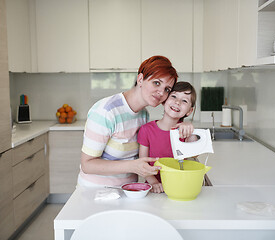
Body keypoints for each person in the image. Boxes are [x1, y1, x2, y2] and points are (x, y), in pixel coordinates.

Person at [78, 55, 193, 187]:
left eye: (167, 89)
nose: (161, 92)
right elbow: (87, 165)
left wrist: (185, 125)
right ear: (140, 79)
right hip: (95, 192)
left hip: (127, 191)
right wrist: (132, 166)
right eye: (157, 83)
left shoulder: (143, 115)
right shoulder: (106, 111)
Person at [137, 81, 197, 193]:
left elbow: (195, 153)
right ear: (164, 101)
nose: (177, 102)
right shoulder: (146, 130)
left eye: (184, 100)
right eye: (173, 96)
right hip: (153, 188)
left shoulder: (184, 132)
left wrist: (190, 128)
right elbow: (142, 162)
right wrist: (154, 183)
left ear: (189, 111)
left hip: (179, 187)